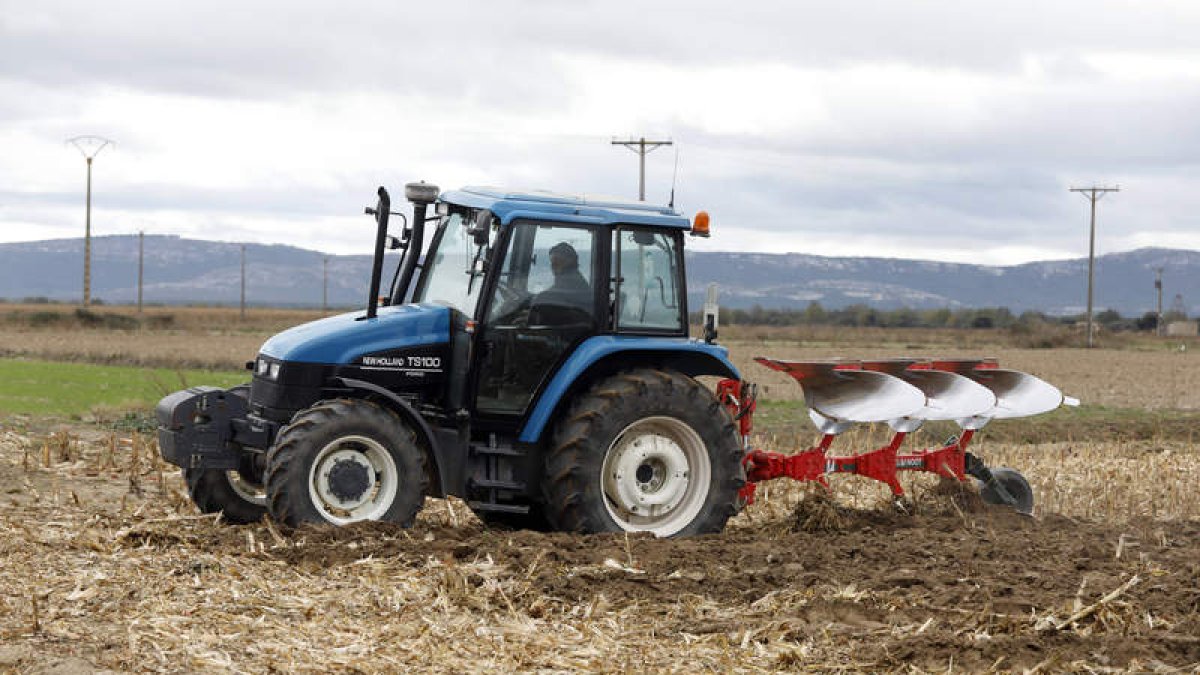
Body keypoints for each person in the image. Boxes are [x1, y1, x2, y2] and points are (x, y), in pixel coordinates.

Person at [529, 242, 592, 324]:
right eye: (552, 262)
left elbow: (549, 296)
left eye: (558, 261)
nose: (553, 266)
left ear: (571, 261)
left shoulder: (573, 281)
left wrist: (536, 300)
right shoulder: (569, 279)